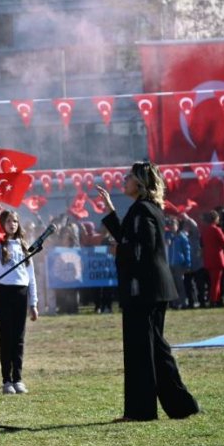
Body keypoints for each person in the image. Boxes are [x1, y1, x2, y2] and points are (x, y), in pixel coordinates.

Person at [96, 162, 199, 422]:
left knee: (140, 351)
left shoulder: (142, 209)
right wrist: (110, 210)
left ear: (140, 183)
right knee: (156, 349)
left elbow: (143, 248)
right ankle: (182, 405)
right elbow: (129, 238)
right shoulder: (145, 208)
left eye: (129, 177)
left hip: (144, 289)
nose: (124, 180)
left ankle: (141, 411)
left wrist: (120, 251)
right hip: (152, 288)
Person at [0, 209, 39, 395]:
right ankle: (6, 380)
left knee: (18, 339)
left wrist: (33, 303)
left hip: (21, 292)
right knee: (6, 337)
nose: (13, 224)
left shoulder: (24, 246)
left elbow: (31, 276)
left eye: (16, 221)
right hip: (3, 292)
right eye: (9, 221)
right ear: (2, 223)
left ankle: (18, 378)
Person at [201, 210, 224, 308]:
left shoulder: (205, 230)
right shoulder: (217, 229)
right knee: (216, 282)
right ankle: (214, 300)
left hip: (209, 258)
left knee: (213, 281)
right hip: (218, 258)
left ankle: (214, 299)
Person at [165, 217, 191, 309]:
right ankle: (175, 303)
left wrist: (187, 263)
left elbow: (187, 250)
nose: (172, 227)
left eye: (173, 225)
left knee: (180, 284)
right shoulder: (167, 235)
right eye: (170, 225)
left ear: (177, 226)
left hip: (179, 264)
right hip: (169, 264)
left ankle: (183, 302)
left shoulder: (181, 236)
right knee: (172, 285)